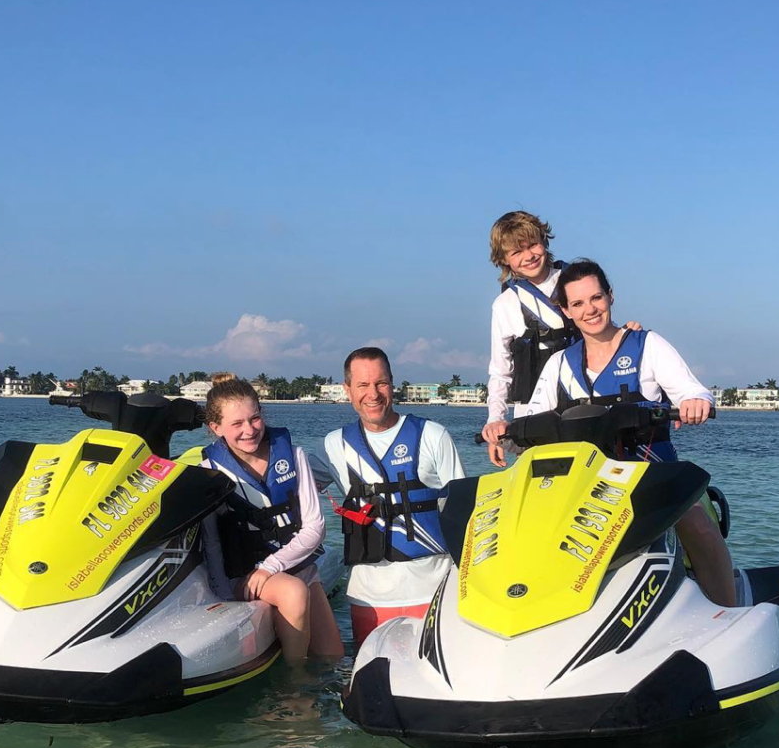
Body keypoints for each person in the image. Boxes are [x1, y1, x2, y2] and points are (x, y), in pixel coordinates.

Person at [522, 258, 739, 607]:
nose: (589, 310)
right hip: (585, 485)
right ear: (565, 310)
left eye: (596, 298)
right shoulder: (559, 365)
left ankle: (728, 610)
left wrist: (695, 402)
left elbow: (691, 390)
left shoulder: (647, 345)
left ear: (610, 296)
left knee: (697, 525)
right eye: (577, 303)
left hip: (653, 477)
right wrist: (505, 430)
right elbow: (531, 418)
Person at [323, 348, 465, 647]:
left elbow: (466, 512)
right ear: (347, 390)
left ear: (392, 384)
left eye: (381, 383)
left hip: (434, 592)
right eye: (362, 385)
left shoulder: (433, 435)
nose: (372, 394)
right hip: (368, 600)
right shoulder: (333, 445)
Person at [200, 375, 345, 659]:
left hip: (292, 566)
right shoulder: (209, 473)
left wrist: (271, 566)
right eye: (237, 424)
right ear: (216, 428)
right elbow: (211, 541)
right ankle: (295, 682)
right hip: (245, 575)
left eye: (254, 419)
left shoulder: (293, 455)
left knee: (333, 657)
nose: (249, 430)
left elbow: (315, 527)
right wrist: (222, 594)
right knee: (293, 593)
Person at [480, 211, 641, 467]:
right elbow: (500, 371)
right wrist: (495, 422)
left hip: (590, 406)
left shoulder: (574, 281)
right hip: (536, 417)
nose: (529, 256)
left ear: (544, 240)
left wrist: (627, 336)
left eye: (532, 244)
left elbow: (601, 327)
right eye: (516, 252)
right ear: (503, 260)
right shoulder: (504, 305)